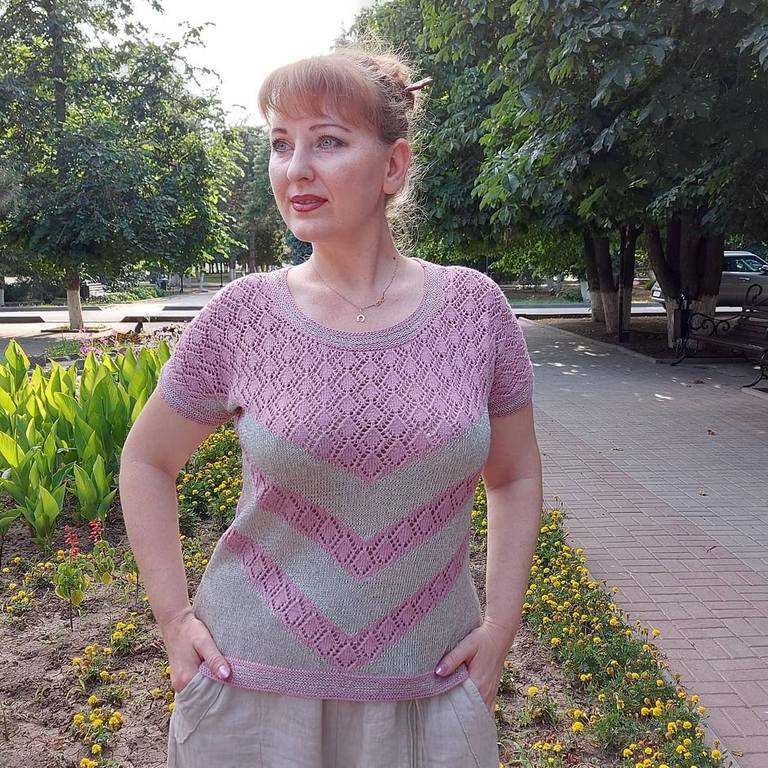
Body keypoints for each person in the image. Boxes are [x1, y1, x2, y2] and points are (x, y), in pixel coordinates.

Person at [118, 40, 543, 768]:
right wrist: (174, 619)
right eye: (280, 144)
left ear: (394, 165)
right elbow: (146, 460)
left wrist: (500, 630)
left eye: (328, 142)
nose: (296, 169)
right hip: (251, 690)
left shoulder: (475, 310)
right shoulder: (243, 315)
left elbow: (515, 475)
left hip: (431, 689)